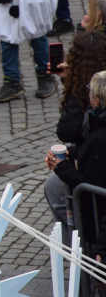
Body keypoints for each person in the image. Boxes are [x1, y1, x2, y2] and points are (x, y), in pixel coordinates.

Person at [45, 32, 106, 245]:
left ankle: (79, 249)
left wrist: (62, 166)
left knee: (55, 190)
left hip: (96, 202)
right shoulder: (97, 122)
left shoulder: (99, 134)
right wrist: (71, 153)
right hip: (88, 160)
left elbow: (90, 182)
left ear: (96, 100)